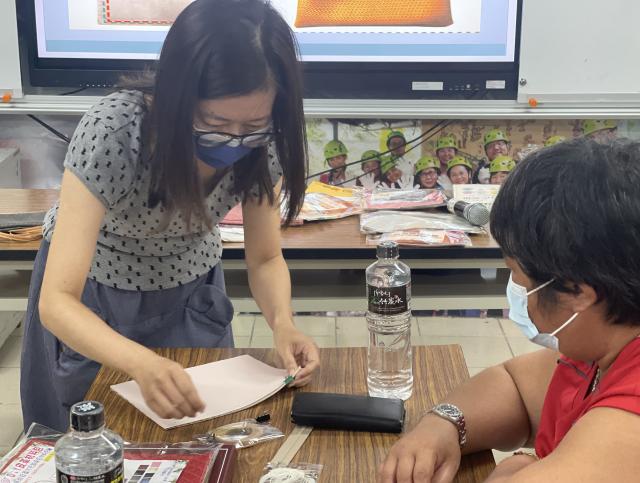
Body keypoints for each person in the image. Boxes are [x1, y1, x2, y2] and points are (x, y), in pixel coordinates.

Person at [21, 0, 320, 433]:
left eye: (253, 126)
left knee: (203, 435)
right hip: (95, 299)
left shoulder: (266, 142)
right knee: (93, 441)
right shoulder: (116, 132)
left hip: (189, 295)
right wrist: (140, 362)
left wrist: (283, 323)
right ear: (177, 96)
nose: (234, 140)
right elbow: (57, 302)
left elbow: (265, 258)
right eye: (215, 122)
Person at [379, 138, 640, 483]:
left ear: (577, 292)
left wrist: (514, 470)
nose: (517, 290)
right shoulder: (600, 343)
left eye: (518, 274)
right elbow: (514, 385)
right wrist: (443, 424)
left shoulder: (629, 417)